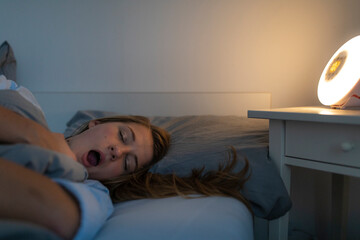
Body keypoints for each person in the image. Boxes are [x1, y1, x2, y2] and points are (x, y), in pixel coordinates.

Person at [0, 75, 251, 239]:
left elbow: (58, 216)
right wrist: (32, 132)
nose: (117, 151)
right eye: (122, 135)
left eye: (127, 162)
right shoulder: (20, 99)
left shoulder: (93, 193)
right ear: (94, 124)